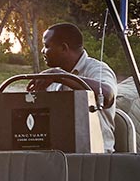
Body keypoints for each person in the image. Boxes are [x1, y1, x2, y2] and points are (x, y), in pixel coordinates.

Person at [27, 23, 119, 152]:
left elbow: (107, 95)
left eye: (47, 46)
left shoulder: (97, 69)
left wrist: (61, 77)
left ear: (64, 48)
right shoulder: (53, 76)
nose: (43, 51)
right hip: (59, 155)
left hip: (96, 156)